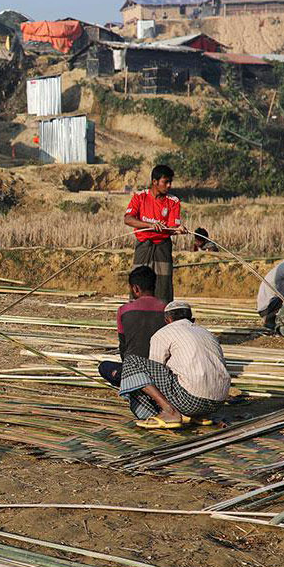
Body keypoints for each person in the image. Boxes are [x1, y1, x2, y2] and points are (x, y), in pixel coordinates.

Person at [119, 301, 230, 429]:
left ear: (167, 320)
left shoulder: (163, 333)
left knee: (132, 362)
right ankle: (199, 416)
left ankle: (169, 411)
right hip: (218, 402)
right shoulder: (208, 334)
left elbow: (155, 370)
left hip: (190, 401)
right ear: (192, 319)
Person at [124, 165, 185, 303]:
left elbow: (172, 227)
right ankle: (135, 311)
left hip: (162, 246)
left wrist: (178, 229)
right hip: (143, 244)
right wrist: (150, 225)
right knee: (138, 281)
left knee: (163, 284)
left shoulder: (173, 201)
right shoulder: (140, 197)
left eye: (170, 182)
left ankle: (163, 316)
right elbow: (128, 219)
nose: (169, 185)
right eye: (165, 182)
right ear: (155, 182)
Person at [99, 266, 166, 387]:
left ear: (136, 288)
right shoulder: (167, 309)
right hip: (161, 373)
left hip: (134, 373)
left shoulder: (124, 310)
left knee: (104, 367)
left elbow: (123, 347)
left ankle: (132, 384)